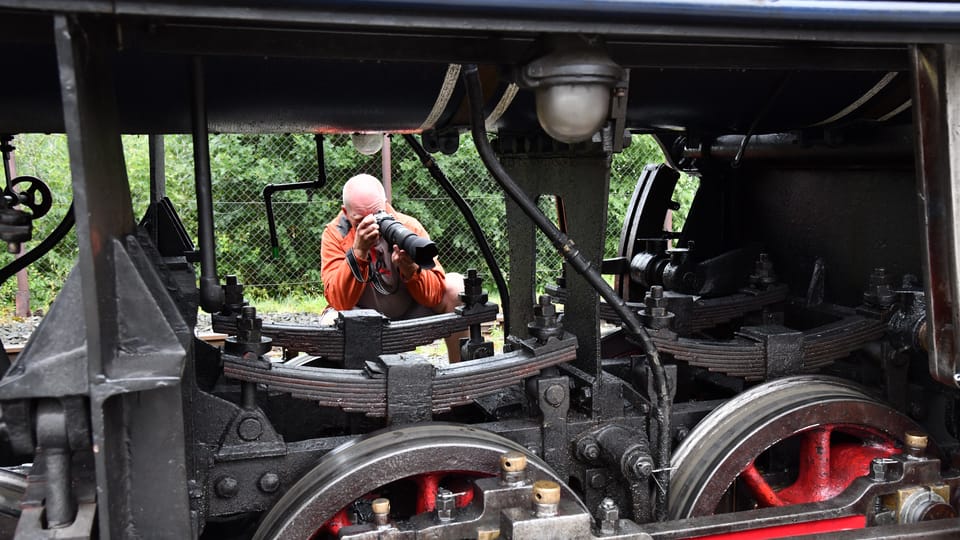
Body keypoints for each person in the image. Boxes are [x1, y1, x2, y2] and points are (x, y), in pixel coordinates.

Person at [321, 174, 465, 362]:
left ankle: (458, 377)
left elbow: (436, 294)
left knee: (457, 288)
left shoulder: (407, 227)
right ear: (345, 212)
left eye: (376, 216)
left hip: (409, 317)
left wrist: (412, 271)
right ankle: (356, 385)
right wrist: (358, 253)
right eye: (360, 221)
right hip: (361, 320)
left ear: (385, 205)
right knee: (329, 321)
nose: (371, 226)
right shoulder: (335, 235)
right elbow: (339, 301)